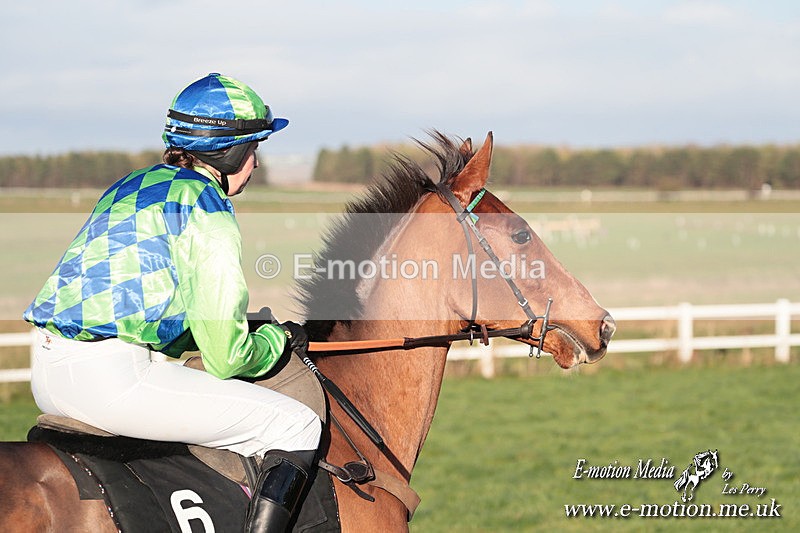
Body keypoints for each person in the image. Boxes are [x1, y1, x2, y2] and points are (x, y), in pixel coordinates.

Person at [23, 73, 321, 532]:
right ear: (233, 152)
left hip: (47, 371)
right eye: (255, 148)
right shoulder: (207, 207)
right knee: (295, 425)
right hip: (111, 378)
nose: (257, 163)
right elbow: (226, 358)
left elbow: (144, 300)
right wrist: (273, 340)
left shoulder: (133, 184)